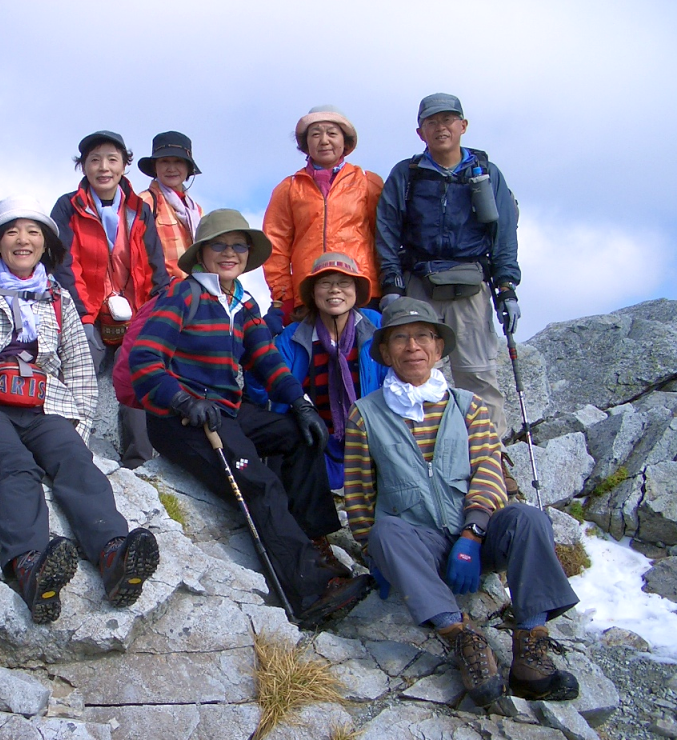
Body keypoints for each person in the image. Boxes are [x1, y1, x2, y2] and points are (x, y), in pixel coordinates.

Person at [130, 209, 370, 627]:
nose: (229, 253)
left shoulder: (242, 301)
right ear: (201, 252)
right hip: (180, 418)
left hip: (227, 411)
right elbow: (145, 359)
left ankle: (314, 544)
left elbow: (265, 358)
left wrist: (299, 403)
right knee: (257, 481)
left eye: (238, 246)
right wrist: (184, 401)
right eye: (219, 245)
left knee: (300, 435)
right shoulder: (183, 295)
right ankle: (308, 591)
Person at [0, 196, 159, 624]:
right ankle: (30, 564)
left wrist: (81, 424)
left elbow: (77, 365)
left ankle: (114, 554)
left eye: (33, 232)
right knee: (14, 466)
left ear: (46, 244)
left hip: (44, 402)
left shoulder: (58, 299)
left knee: (76, 459)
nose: (23, 240)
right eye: (12, 232)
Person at [344, 297, 580, 707]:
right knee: (385, 531)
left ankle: (531, 643)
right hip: (419, 546)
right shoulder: (365, 414)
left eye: (423, 337)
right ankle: (463, 636)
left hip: (478, 538)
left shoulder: (470, 406)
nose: (412, 346)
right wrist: (375, 553)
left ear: (439, 348)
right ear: (385, 352)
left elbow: (489, 469)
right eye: (400, 338)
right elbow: (359, 493)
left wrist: (472, 534)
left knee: (528, 518)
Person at [375, 93, 521, 493]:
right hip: (418, 281)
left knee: (476, 373)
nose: (441, 128)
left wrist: (506, 286)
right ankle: (424, 453)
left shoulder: (487, 173)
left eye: (449, 120)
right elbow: (386, 230)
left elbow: (504, 231)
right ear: (420, 130)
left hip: (471, 283)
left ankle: (491, 456)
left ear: (463, 125)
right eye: (432, 121)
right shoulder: (406, 175)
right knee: (416, 367)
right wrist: (391, 285)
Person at [51, 130, 170, 469]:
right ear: (83, 167)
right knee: (79, 363)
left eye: (112, 159)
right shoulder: (67, 206)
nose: (103, 167)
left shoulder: (139, 209)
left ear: (124, 165)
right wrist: (84, 316)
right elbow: (64, 264)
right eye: (94, 160)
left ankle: (141, 461)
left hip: (134, 312)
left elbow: (154, 264)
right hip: (87, 310)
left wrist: (152, 315)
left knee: (140, 366)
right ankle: (68, 449)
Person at [250, 253, 387, 498]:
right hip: (315, 440)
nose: (335, 290)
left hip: (374, 438)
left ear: (357, 290)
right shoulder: (292, 337)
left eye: (344, 282)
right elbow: (264, 384)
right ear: (313, 293)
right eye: (325, 283)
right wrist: (256, 346)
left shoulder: (377, 326)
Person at [262, 105, 384, 332]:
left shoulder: (368, 182)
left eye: (332, 133)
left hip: (362, 292)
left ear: (345, 141)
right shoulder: (288, 188)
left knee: (364, 360)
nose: (324, 140)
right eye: (315, 134)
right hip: (308, 294)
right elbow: (275, 246)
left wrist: (382, 287)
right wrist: (284, 295)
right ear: (305, 143)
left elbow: (383, 238)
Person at [137, 131, 204, 280]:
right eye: (165, 161)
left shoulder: (196, 210)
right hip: (162, 293)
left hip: (197, 290)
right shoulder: (145, 202)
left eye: (178, 161)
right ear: (155, 167)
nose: (171, 168)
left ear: (188, 167)